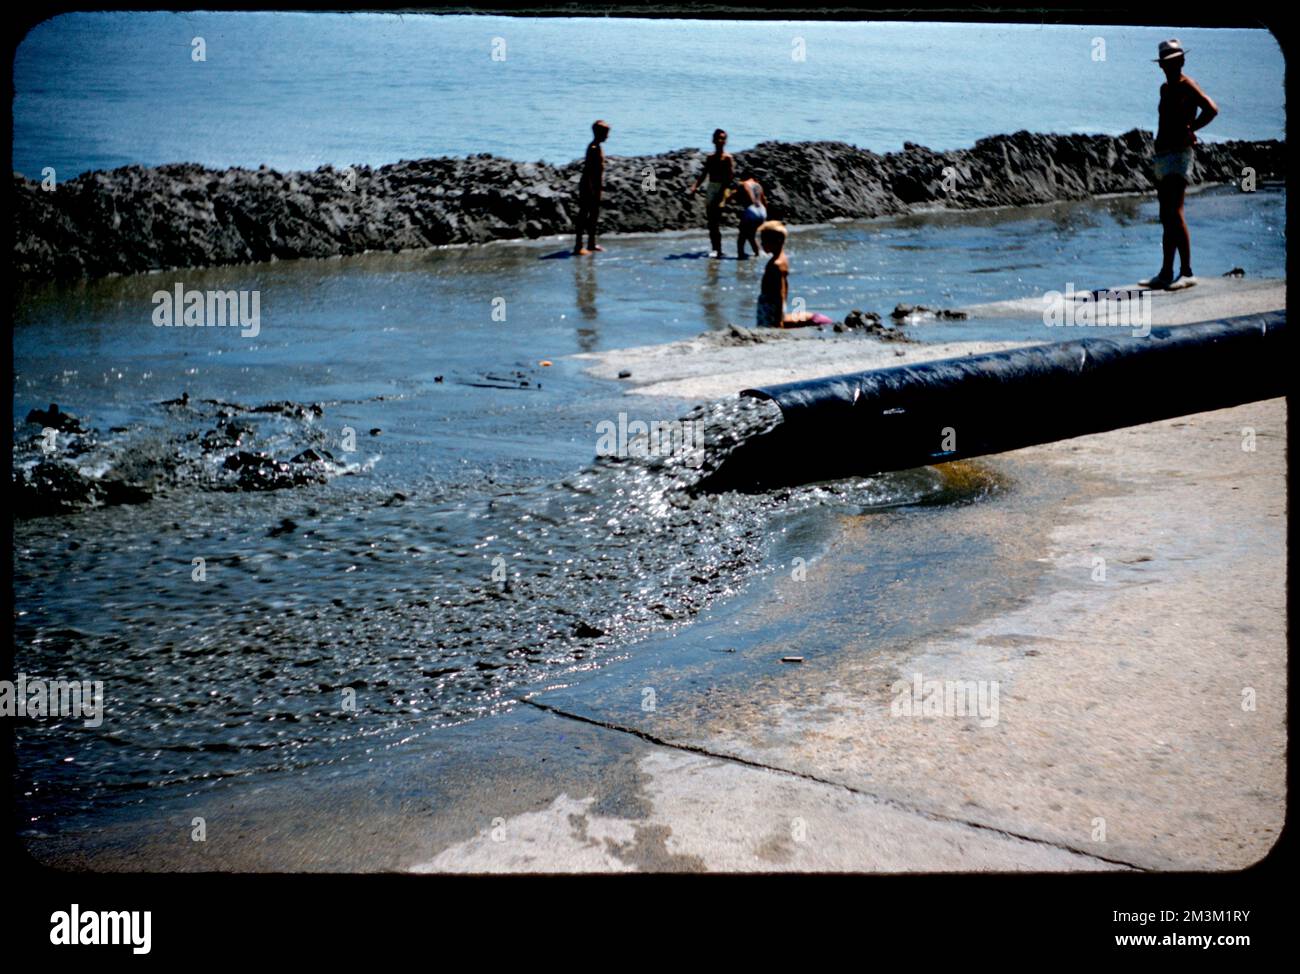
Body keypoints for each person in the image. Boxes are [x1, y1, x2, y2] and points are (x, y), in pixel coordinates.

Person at [1140, 40, 1217, 291]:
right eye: (1165, 62)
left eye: (1173, 61)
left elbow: (1211, 109)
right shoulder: (1165, 88)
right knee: (1166, 215)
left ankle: (1187, 272)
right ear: (1161, 65)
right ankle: (1165, 272)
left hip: (1178, 154)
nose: (1169, 66)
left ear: (1181, 61)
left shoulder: (1187, 85)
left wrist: (1191, 128)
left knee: (1175, 211)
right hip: (1162, 155)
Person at [756, 221, 830, 328]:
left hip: (770, 307)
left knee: (767, 328)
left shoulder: (777, 264)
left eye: (764, 241)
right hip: (768, 305)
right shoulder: (781, 259)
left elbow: (780, 292)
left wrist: (779, 319)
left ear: (777, 241)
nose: (761, 244)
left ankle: (817, 320)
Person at [688, 129, 735, 257]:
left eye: (723, 138)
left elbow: (730, 178)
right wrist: (695, 187)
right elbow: (704, 174)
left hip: (722, 188)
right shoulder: (710, 157)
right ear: (713, 140)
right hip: (711, 188)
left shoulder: (727, 158)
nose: (721, 141)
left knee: (715, 220)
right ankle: (715, 248)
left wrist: (721, 194)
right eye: (719, 138)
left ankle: (718, 250)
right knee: (711, 222)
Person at [573, 120, 610, 255]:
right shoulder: (593, 148)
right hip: (589, 186)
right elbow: (588, 170)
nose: (608, 137)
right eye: (606, 134)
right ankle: (578, 245)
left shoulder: (598, 147)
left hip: (596, 185)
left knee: (594, 215)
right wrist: (592, 189)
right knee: (584, 215)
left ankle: (591, 243)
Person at [734, 171, 767, 260]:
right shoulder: (758, 185)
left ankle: (740, 256)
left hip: (752, 209)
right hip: (762, 211)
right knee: (751, 235)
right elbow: (764, 200)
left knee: (742, 235)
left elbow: (749, 195)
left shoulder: (744, 183)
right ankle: (758, 254)